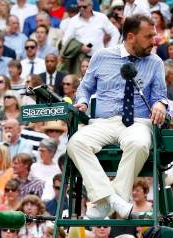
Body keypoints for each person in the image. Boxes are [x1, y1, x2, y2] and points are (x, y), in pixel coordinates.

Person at [68, 15, 166, 219]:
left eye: (154, 35)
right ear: (130, 37)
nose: (154, 41)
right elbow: (85, 87)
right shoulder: (101, 56)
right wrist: (83, 101)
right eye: (148, 36)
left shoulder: (155, 62)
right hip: (103, 122)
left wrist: (159, 104)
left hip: (137, 122)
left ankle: (107, 202)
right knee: (75, 143)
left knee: (139, 144)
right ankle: (114, 201)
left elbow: (160, 96)